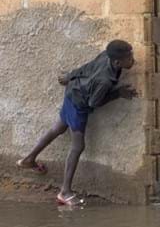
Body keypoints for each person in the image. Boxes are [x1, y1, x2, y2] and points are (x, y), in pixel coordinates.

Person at [17, 40, 137, 205]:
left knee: (57, 128)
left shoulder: (105, 55)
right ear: (117, 62)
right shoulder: (105, 81)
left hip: (72, 90)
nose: (133, 60)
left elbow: (87, 67)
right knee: (78, 146)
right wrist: (119, 93)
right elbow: (93, 103)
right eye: (129, 58)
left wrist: (69, 76)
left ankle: (28, 160)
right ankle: (65, 192)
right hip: (78, 104)